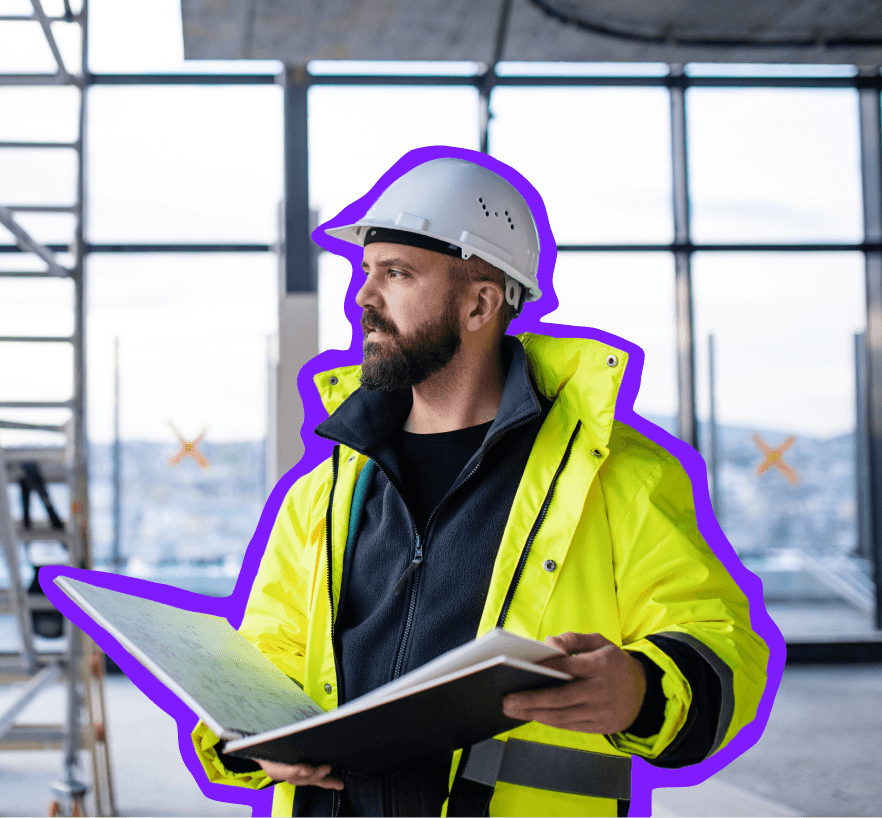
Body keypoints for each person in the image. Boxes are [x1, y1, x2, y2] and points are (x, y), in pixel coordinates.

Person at [189, 154, 769, 817]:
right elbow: (269, 656)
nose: (364, 298)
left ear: (479, 303)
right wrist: (246, 736)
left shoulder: (617, 477)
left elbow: (721, 644)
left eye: (396, 274)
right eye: (365, 271)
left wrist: (641, 688)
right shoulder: (323, 493)